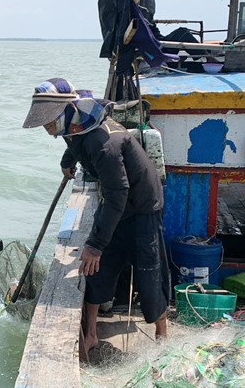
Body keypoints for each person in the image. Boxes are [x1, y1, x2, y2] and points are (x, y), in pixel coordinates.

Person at [22, 77, 170, 355]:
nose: (47, 127)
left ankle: (162, 335)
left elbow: (117, 195)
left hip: (142, 205)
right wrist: (68, 161)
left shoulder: (104, 144)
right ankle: (90, 335)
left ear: (66, 111)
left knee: (149, 273)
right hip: (117, 201)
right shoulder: (75, 124)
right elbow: (72, 143)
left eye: (49, 121)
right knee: (97, 270)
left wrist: (95, 244)